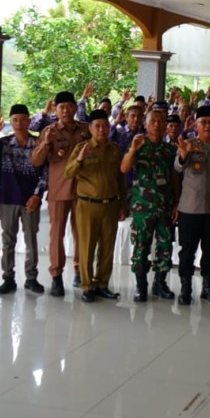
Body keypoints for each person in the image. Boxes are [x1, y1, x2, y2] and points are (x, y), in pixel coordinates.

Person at [31, 91, 91, 296]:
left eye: (69, 106)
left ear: (75, 108)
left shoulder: (86, 130)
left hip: (83, 189)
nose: (65, 111)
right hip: (59, 189)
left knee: (82, 233)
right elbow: (36, 161)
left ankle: (79, 270)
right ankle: (56, 276)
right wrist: (47, 143)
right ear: (55, 110)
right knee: (56, 234)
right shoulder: (49, 131)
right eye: (61, 107)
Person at [64, 109, 127, 302]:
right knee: (87, 247)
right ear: (90, 129)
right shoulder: (82, 148)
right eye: (97, 126)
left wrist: (122, 205)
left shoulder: (115, 149)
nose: (101, 130)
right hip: (87, 205)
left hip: (110, 205)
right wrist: (80, 159)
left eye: (105, 126)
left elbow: (120, 179)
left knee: (107, 248)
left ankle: (102, 284)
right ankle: (86, 285)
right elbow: (68, 173)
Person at [0, 105, 47, 294]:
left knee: (31, 240)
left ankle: (31, 278)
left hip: (30, 200)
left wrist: (38, 195)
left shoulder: (39, 143)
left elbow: (46, 172)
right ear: (10, 123)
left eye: (23, 119)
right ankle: (8, 278)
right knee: (7, 240)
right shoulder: (2, 143)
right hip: (8, 199)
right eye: (15, 120)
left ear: (29, 121)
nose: (19, 123)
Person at [174, 105, 210, 304]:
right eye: (203, 122)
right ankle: (185, 288)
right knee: (187, 250)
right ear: (196, 125)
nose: (207, 126)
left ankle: (208, 287)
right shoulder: (188, 144)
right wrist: (183, 155)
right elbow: (177, 165)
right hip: (190, 208)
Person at [120, 107, 179, 302]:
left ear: (166, 126)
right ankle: (141, 285)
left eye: (161, 121)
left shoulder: (170, 150)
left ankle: (160, 283)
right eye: (152, 121)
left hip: (164, 206)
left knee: (164, 247)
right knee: (141, 247)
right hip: (142, 207)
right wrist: (133, 150)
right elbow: (124, 168)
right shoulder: (138, 144)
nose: (156, 124)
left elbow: (175, 179)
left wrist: (176, 203)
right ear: (145, 124)